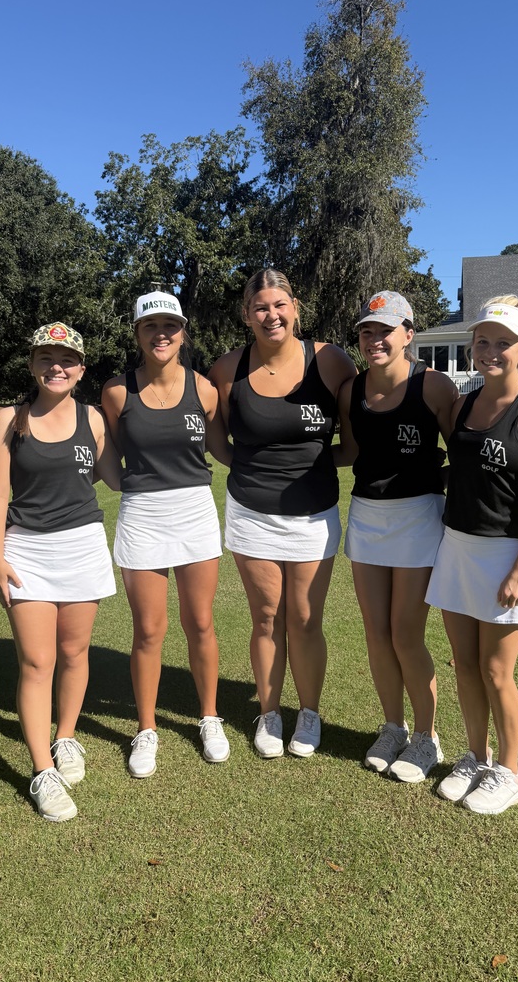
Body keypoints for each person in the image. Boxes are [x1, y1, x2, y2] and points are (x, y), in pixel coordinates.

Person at [426, 296, 518, 814]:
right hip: (457, 547)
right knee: (464, 663)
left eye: (503, 343)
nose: (490, 351)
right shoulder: (464, 403)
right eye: (482, 341)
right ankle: (477, 756)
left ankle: (511, 770)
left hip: (506, 554)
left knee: (495, 670)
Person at [209, 268, 356, 758]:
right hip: (251, 513)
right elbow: (220, 444)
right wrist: (258, 475)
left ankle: (308, 715)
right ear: (246, 315)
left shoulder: (330, 361)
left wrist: (310, 468)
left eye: (279, 305)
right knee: (266, 618)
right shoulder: (227, 369)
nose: (271, 315)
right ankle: (269, 714)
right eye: (260, 307)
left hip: (314, 515)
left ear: (295, 307)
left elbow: (352, 444)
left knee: (306, 618)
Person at [0, 322, 119, 823]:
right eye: (47, 358)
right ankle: (43, 770)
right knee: (38, 662)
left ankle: (66, 737)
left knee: (74, 651)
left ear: (81, 369)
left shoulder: (94, 420)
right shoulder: (8, 420)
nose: (56, 366)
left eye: (66, 359)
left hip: (83, 547)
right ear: (33, 365)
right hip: (28, 552)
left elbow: (117, 477)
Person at [101, 291, 231, 779]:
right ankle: (146, 729)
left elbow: (219, 447)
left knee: (200, 622)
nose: (161, 334)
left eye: (170, 326)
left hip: (195, 510)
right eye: (150, 326)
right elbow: (107, 449)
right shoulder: (117, 391)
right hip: (142, 516)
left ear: (183, 332)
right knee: (149, 630)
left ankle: (210, 717)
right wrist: (121, 485)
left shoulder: (205, 389)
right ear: (136, 333)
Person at [336, 290, 458, 783]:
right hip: (367, 515)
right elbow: (347, 452)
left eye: (385, 330)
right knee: (376, 632)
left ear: (409, 334)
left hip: (418, 516)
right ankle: (393, 726)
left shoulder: (432, 386)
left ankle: (427, 738)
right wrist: (280, 462)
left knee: (406, 632)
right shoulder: (352, 390)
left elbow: (463, 450)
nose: (375, 339)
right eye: (367, 331)